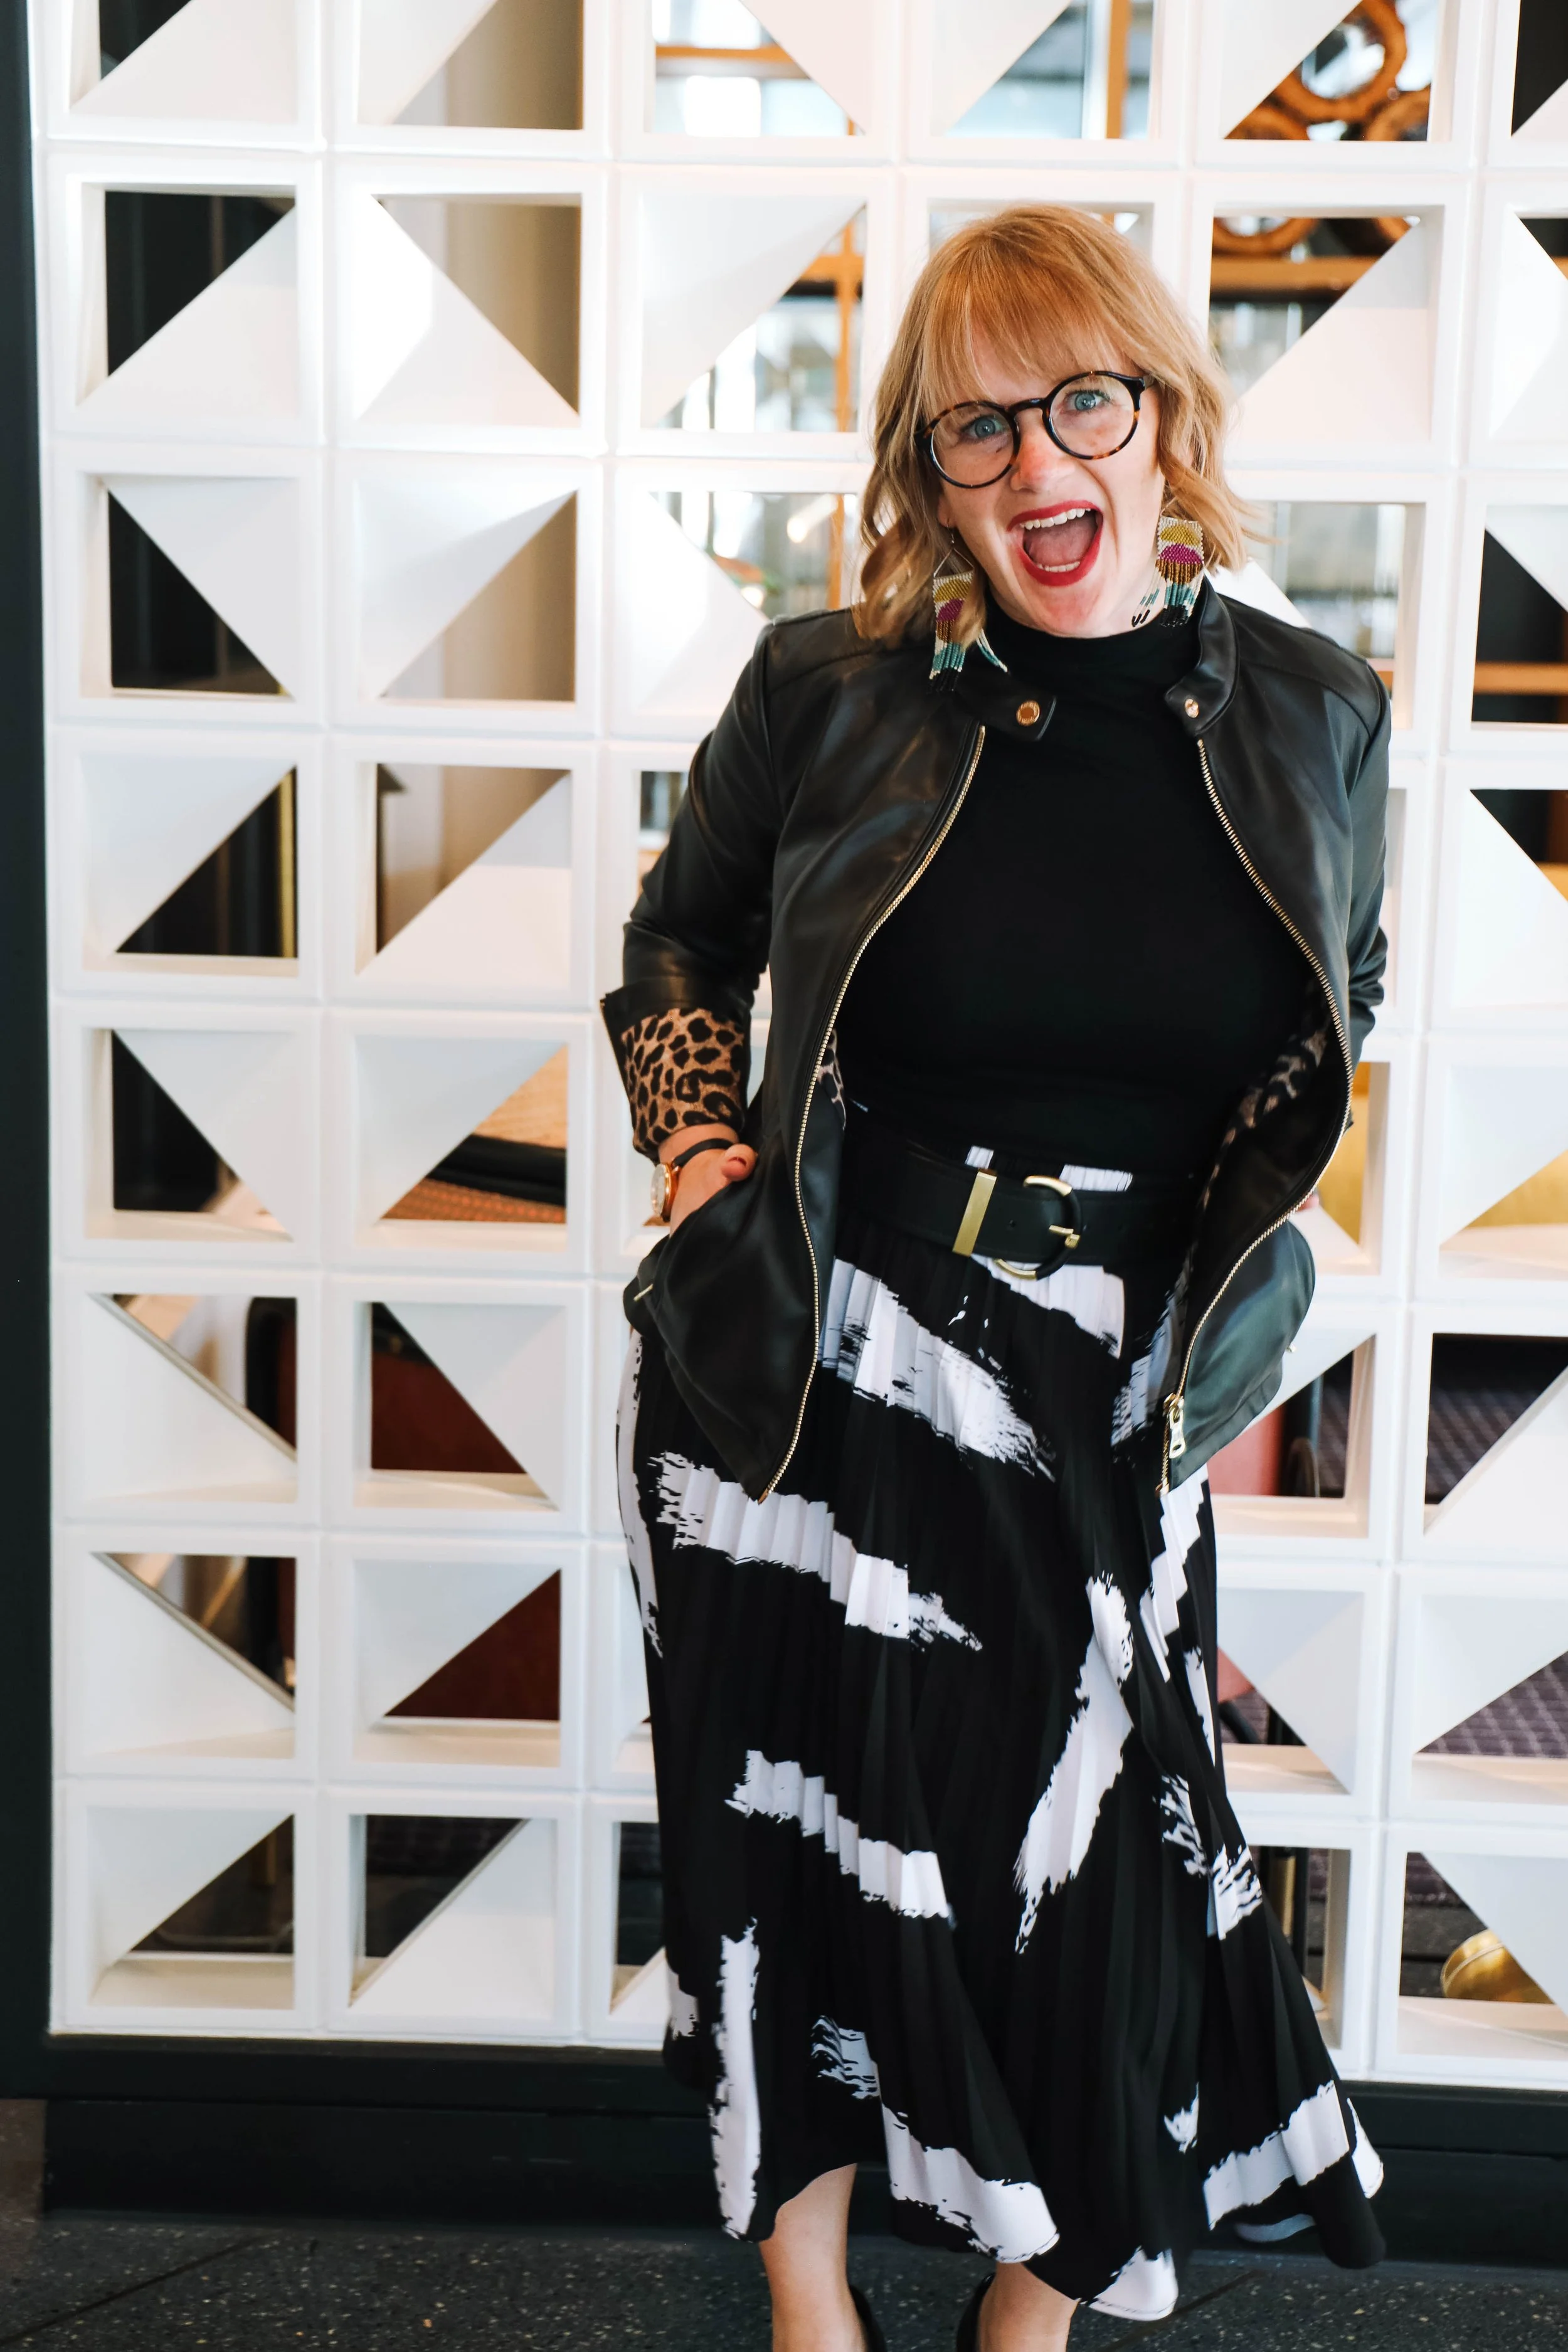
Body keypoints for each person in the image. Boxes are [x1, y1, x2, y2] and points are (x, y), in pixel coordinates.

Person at [603, 205, 1387, 2352]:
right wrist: (698, 1146)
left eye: (1081, 405)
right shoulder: (828, 689)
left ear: (1162, 417)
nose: (1040, 469)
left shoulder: (1315, 715)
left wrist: (1224, 1323)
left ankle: (1039, 2295)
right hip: (814, 1359)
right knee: (798, 1847)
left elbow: (1334, 1010)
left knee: (1097, 1865)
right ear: (926, 472)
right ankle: (806, 2290)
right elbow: (677, 939)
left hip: (1104, 1389)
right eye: (977, 432)